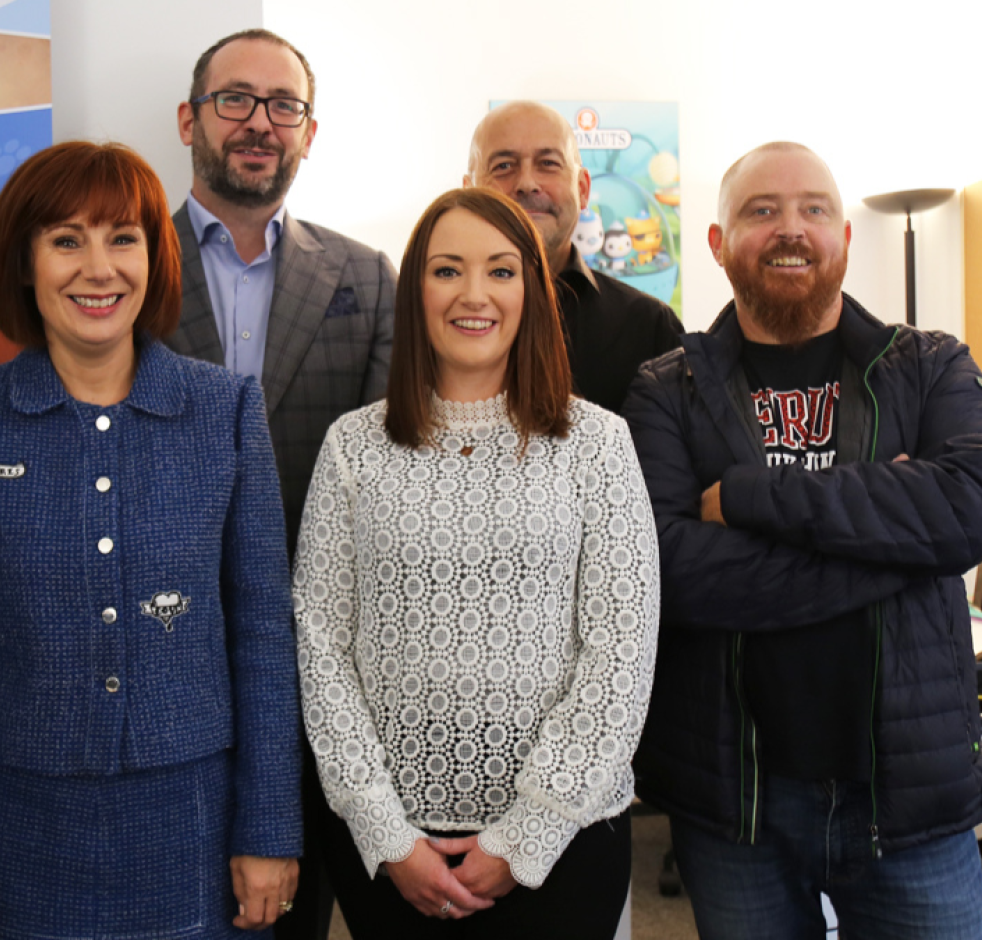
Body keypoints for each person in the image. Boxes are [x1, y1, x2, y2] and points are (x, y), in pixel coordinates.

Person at [0, 140, 302, 940]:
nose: (98, 268)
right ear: (23, 261)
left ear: (154, 256)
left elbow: (263, 633)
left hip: (190, 820)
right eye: (65, 241)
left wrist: (269, 828)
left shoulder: (224, 410)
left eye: (122, 238)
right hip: (13, 825)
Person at [623, 141, 982, 939]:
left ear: (846, 238)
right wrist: (894, 543)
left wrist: (749, 497)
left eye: (814, 209)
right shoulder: (665, 388)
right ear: (717, 245)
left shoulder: (928, 366)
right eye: (762, 210)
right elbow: (673, 572)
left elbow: (966, 511)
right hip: (738, 807)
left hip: (910, 795)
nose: (792, 228)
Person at [293, 187, 660, 938]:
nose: (473, 294)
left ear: (531, 288)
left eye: (499, 271)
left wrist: (527, 834)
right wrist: (385, 833)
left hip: (564, 844)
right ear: (414, 291)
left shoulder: (598, 445)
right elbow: (320, 645)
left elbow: (621, 652)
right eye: (446, 270)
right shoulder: (353, 448)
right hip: (396, 852)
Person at [168, 30, 395, 937]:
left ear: (309, 132)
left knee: (289, 913)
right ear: (191, 117)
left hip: (311, 667)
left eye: (283, 106)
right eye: (236, 100)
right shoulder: (123, 268)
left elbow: (382, 481)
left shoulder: (368, 279)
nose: (260, 123)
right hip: (159, 651)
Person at [465, 100, 681, 413]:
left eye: (548, 164)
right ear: (468, 193)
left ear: (582, 189)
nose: (527, 183)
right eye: (503, 166)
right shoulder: (430, 321)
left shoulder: (650, 329)